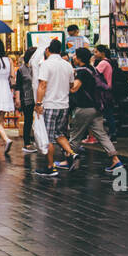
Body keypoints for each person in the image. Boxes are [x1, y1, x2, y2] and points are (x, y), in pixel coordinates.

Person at [68, 47, 124, 174]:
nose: (74, 58)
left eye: (75, 55)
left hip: (84, 107)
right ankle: (115, 159)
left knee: (75, 135)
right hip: (97, 107)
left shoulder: (82, 72)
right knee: (102, 135)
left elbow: (74, 89)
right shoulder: (92, 68)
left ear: (80, 58)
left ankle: (69, 160)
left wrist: (66, 83)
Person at [33, 39, 76, 177]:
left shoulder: (46, 65)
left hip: (50, 105)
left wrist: (38, 103)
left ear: (48, 50)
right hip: (64, 105)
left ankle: (50, 167)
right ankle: (72, 154)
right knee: (59, 133)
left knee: (49, 137)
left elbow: (42, 85)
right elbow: (71, 85)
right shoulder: (68, 65)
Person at [93, 44, 118, 139]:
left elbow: (94, 74)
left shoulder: (103, 63)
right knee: (108, 113)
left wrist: (91, 63)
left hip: (104, 91)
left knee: (107, 113)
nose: (94, 54)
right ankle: (112, 132)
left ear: (102, 53)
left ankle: (112, 133)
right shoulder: (109, 62)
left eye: (96, 52)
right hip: (109, 90)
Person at [17, 45, 39, 153]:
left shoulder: (39, 67)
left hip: (39, 98)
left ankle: (39, 140)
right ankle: (27, 142)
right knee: (28, 120)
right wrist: (17, 100)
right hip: (27, 98)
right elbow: (18, 86)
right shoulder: (21, 70)